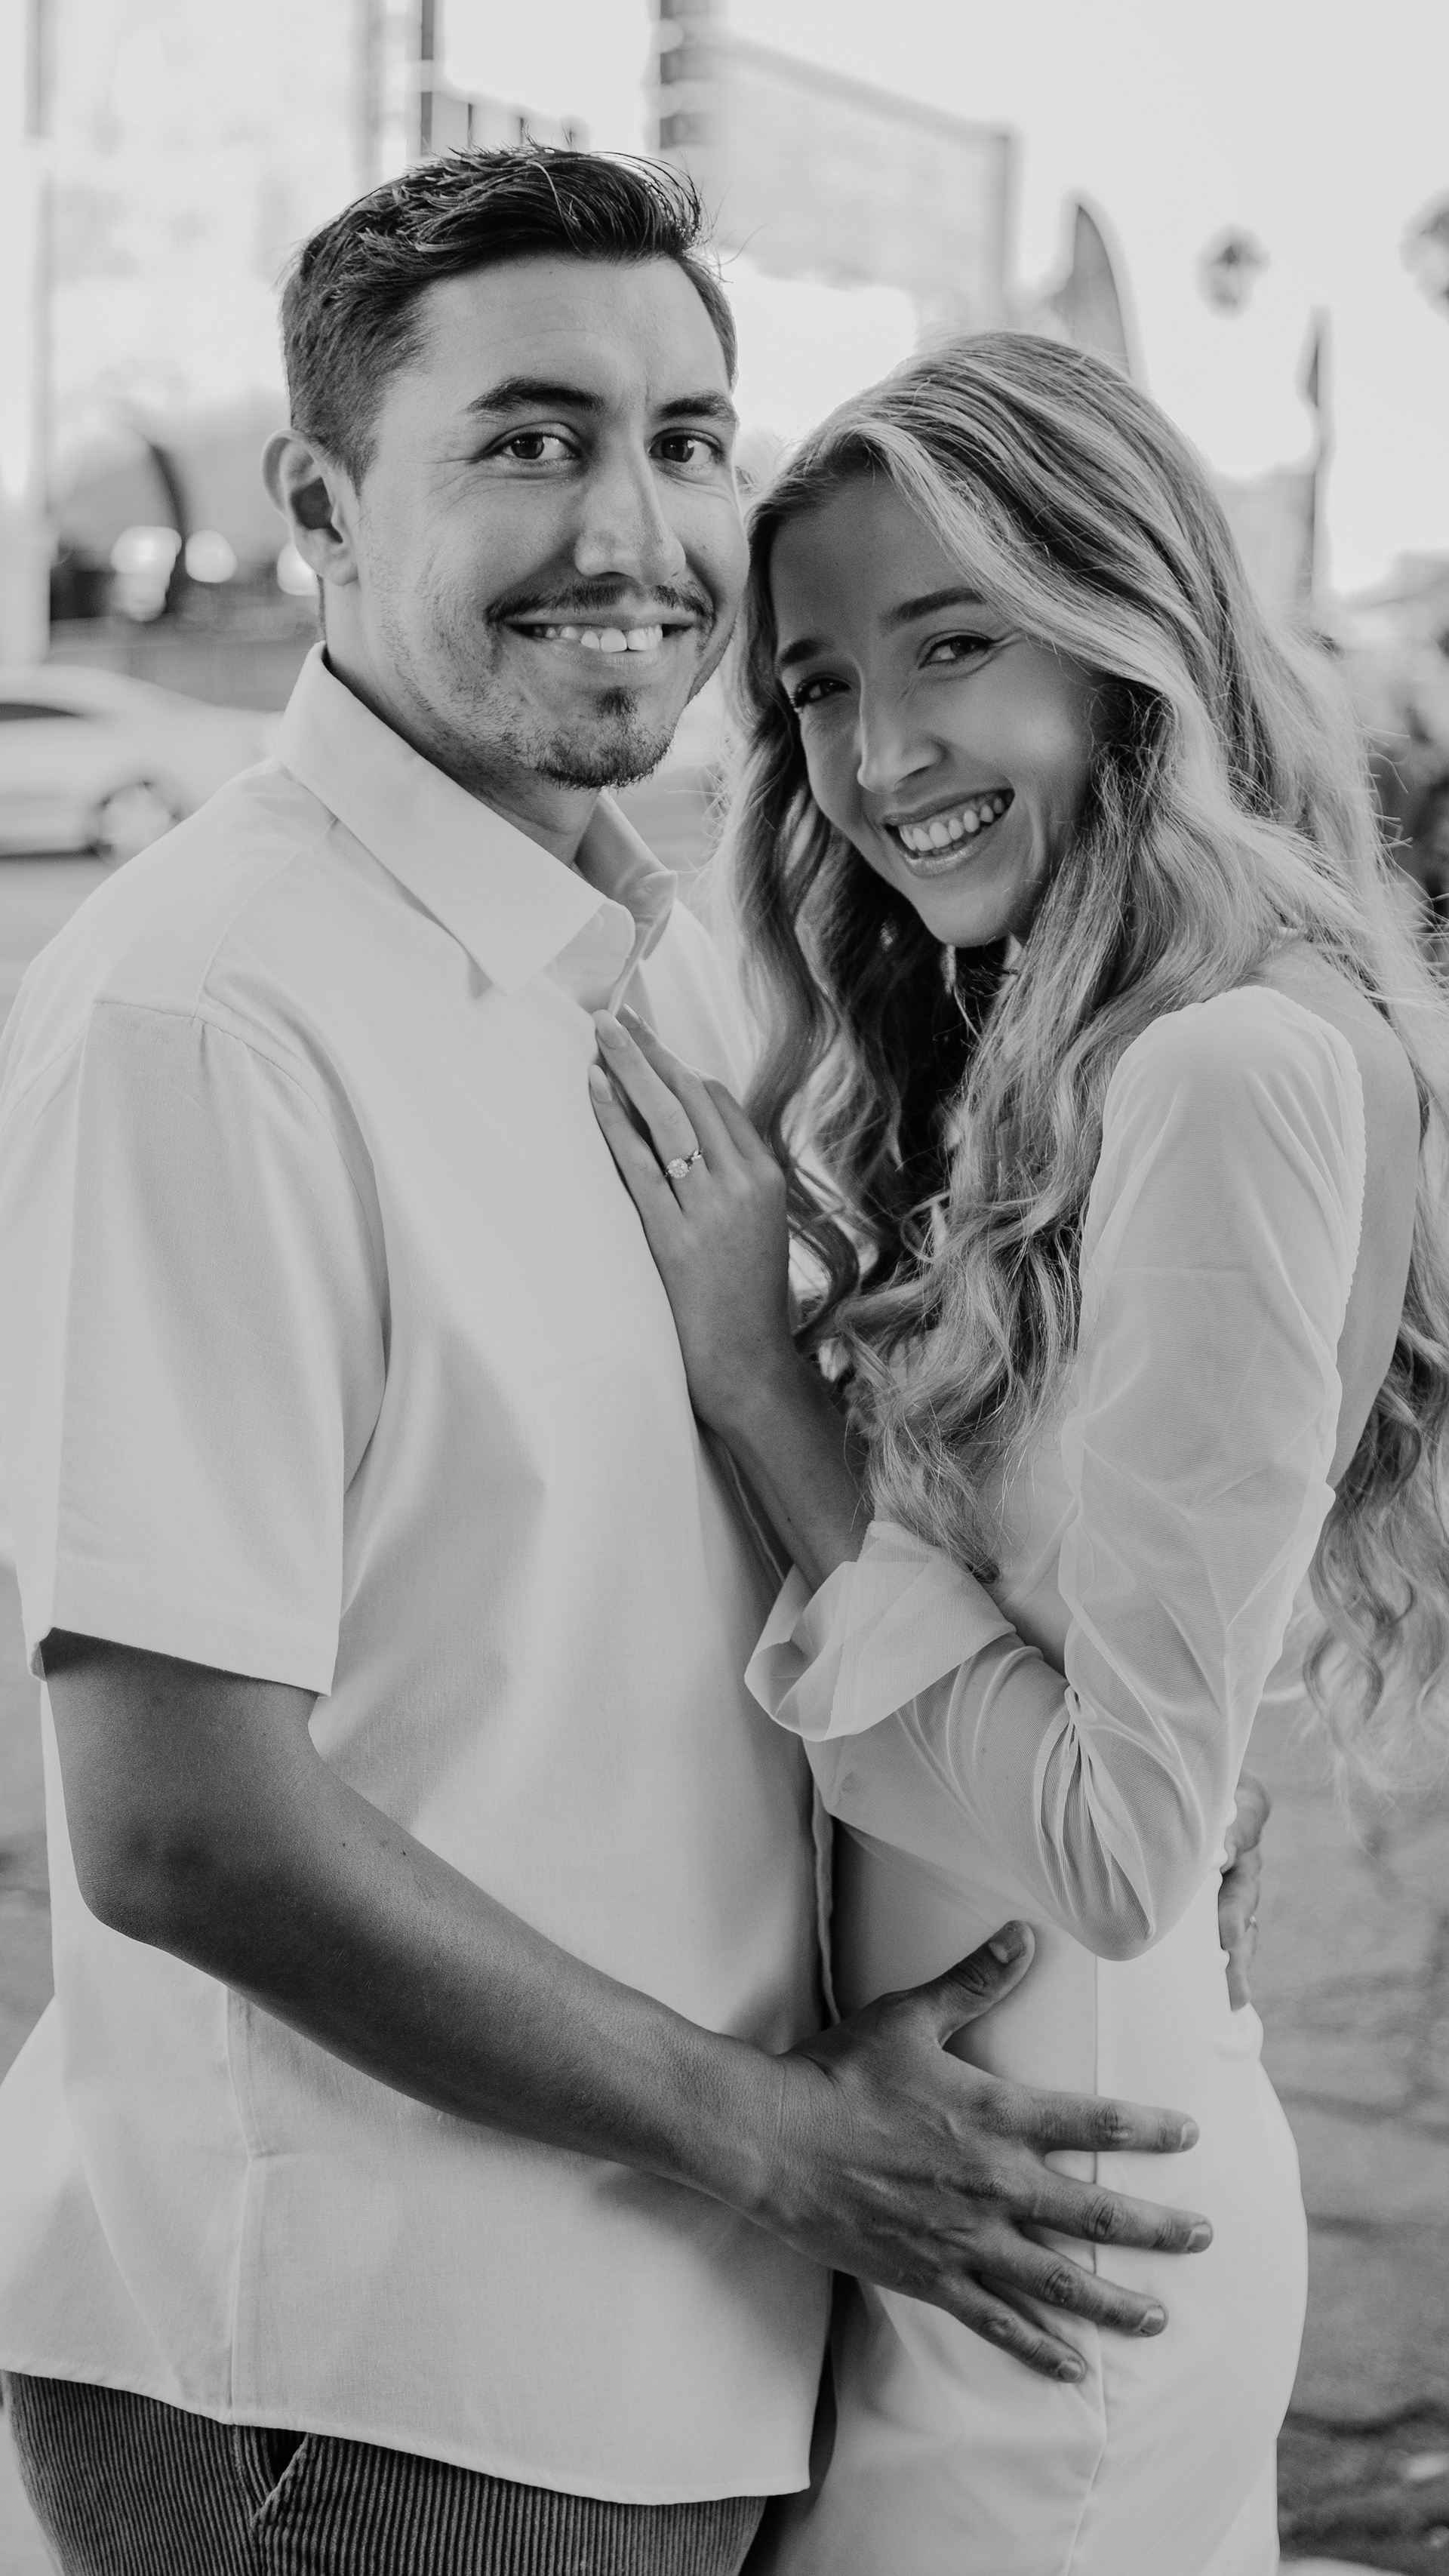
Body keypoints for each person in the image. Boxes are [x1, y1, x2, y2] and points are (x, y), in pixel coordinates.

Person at [0, 158, 1260, 2576]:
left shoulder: (661, 965)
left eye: (686, 440)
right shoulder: (208, 1010)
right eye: (530, 439)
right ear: (320, 506)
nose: (634, 527)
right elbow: (178, 1819)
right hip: (370, 2405)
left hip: (698, 2362)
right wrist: (765, 2135)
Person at [588, 332, 1449, 2575]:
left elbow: (1122, 1841)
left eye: (953, 644)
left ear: (1123, 627)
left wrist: (763, 1388)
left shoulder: (1228, 1070)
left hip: (1060, 2251)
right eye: (818, 686)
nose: (880, 755)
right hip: (979, 2182)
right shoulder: (1077, 1053)